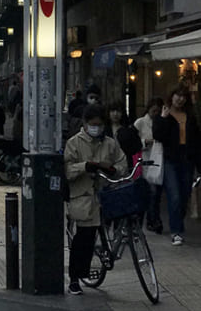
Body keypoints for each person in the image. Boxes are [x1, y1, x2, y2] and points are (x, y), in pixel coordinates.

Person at [64, 103, 127, 295]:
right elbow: (67, 169)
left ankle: (103, 254)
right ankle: (75, 277)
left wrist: (114, 170)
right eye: (93, 124)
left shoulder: (109, 143)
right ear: (84, 123)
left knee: (104, 229)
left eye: (99, 124)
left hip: (105, 194)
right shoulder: (74, 143)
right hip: (82, 196)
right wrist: (84, 166)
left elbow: (122, 162)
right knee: (84, 237)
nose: (96, 128)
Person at [152, 85, 201, 245]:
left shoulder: (190, 116)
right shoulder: (164, 115)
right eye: (177, 95)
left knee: (185, 195)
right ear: (171, 97)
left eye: (183, 96)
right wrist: (164, 118)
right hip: (170, 160)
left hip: (187, 159)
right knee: (174, 195)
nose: (180, 99)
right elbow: (158, 135)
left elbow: (196, 140)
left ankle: (177, 224)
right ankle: (176, 231)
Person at [134, 97, 164, 233]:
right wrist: (145, 142)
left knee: (155, 194)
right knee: (148, 192)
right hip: (144, 160)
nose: (155, 113)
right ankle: (148, 219)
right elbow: (133, 141)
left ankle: (153, 219)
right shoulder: (140, 123)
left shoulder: (161, 123)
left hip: (158, 160)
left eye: (158, 111)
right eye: (153, 110)